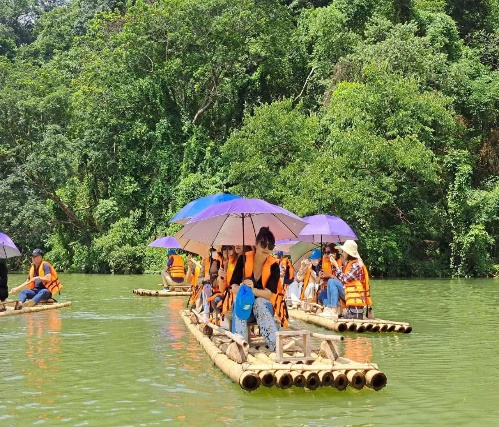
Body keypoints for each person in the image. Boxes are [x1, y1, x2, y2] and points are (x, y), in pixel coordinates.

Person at [230, 227, 283, 350]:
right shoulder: (243, 260)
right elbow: (233, 287)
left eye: (270, 246)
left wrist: (253, 290)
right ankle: (240, 345)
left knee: (259, 302)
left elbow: (269, 294)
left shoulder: (274, 266)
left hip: (264, 309)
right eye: (263, 244)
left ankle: (275, 345)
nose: (266, 249)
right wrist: (243, 289)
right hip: (244, 309)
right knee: (240, 301)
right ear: (256, 244)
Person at [330, 240, 371, 320]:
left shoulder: (356, 265)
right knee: (331, 282)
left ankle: (333, 311)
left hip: (356, 296)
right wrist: (334, 266)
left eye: (343, 252)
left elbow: (344, 279)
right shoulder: (350, 264)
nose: (342, 254)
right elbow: (340, 276)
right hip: (350, 294)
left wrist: (336, 266)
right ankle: (331, 308)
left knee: (332, 282)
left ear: (347, 253)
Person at [317, 245, 345, 318]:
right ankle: (329, 307)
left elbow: (342, 281)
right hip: (326, 291)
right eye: (325, 252)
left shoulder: (340, 264)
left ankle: (332, 308)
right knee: (322, 294)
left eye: (328, 252)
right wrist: (320, 276)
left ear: (335, 253)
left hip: (339, 292)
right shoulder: (322, 263)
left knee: (331, 282)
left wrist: (329, 275)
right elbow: (317, 281)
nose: (326, 255)